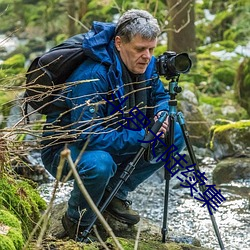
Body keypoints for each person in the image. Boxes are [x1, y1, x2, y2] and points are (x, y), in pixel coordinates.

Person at [41, 9, 185, 241]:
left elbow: (159, 96)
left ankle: (115, 193)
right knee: (100, 164)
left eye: (152, 49)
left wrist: (161, 114)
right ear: (119, 43)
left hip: (116, 135)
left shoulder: (145, 64)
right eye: (140, 49)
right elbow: (87, 135)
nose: (147, 56)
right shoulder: (92, 75)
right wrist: (142, 136)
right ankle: (76, 221)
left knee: (174, 132)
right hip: (66, 150)